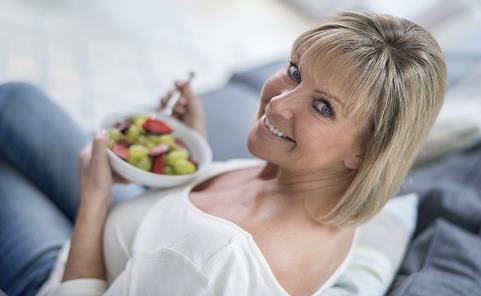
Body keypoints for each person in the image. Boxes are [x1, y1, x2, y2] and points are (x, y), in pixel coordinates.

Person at [0, 11, 446, 296]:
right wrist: (192, 159)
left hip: (66, 274)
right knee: (17, 100)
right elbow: (184, 225)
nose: (277, 103)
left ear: (365, 153)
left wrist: (94, 204)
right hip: (132, 237)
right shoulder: (320, 192)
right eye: (294, 72)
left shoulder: (213, 258)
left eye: (323, 107)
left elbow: (192, 253)